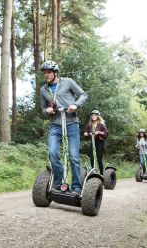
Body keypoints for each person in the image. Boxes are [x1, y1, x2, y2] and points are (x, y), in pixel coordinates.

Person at [40, 60, 88, 195]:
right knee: (53, 153)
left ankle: (77, 186)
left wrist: (76, 105)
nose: (46, 75)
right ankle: (58, 181)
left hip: (71, 122)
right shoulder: (43, 90)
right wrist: (47, 111)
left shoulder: (68, 82)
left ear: (55, 73)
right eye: (45, 73)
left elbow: (83, 95)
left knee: (73, 156)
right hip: (55, 125)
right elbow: (43, 109)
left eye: (49, 72)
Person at [84, 110, 108, 175]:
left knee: (99, 158)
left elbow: (106, 133)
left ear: (98, 116)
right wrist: (86, 133)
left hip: (99, 142)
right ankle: (93, 172)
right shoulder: (89, 124)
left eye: (95, 115)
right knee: (91, 157)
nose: (93, 116)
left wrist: (99, 132)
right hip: (93, 141)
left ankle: (101, 174)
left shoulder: (101, 124)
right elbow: (86, 130)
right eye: (92, 115)